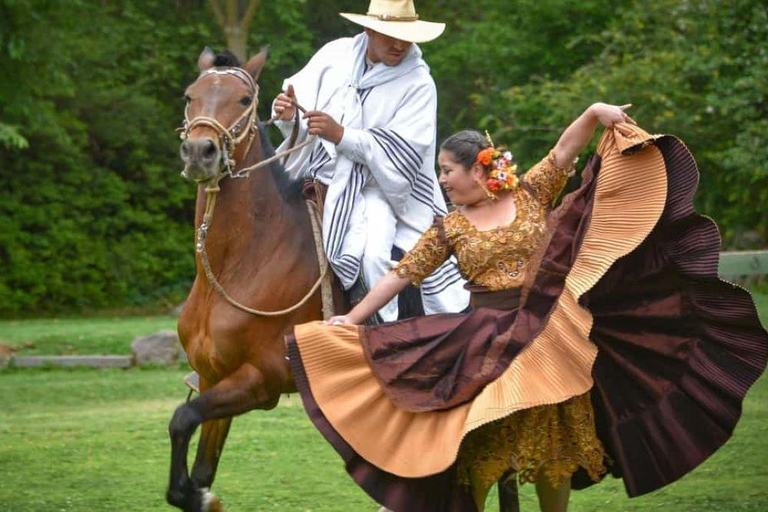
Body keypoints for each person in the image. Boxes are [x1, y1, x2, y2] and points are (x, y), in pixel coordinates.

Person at [285, 101, 768, 511]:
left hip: (548, 336)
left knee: (552, 449)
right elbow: (401, 274)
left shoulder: (531, 193)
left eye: (447, 171)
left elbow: (564, 150)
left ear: (479, 168)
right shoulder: (449, 226)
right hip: (483, 342)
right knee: (482, 453)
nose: (443, 181)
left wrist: (595, 113)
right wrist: (351, 318)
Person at [271, 0, 469, 323]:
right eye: (389, 34)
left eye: (405, 36)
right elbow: (302, 111)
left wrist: (342, 136)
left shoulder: (419, 83)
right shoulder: (335, 56)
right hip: (318, 172)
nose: (399, 44)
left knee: (373, 255)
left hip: (382, 189)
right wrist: (289, 115)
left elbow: (404, 154)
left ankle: (382, 335)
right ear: (368, 30)